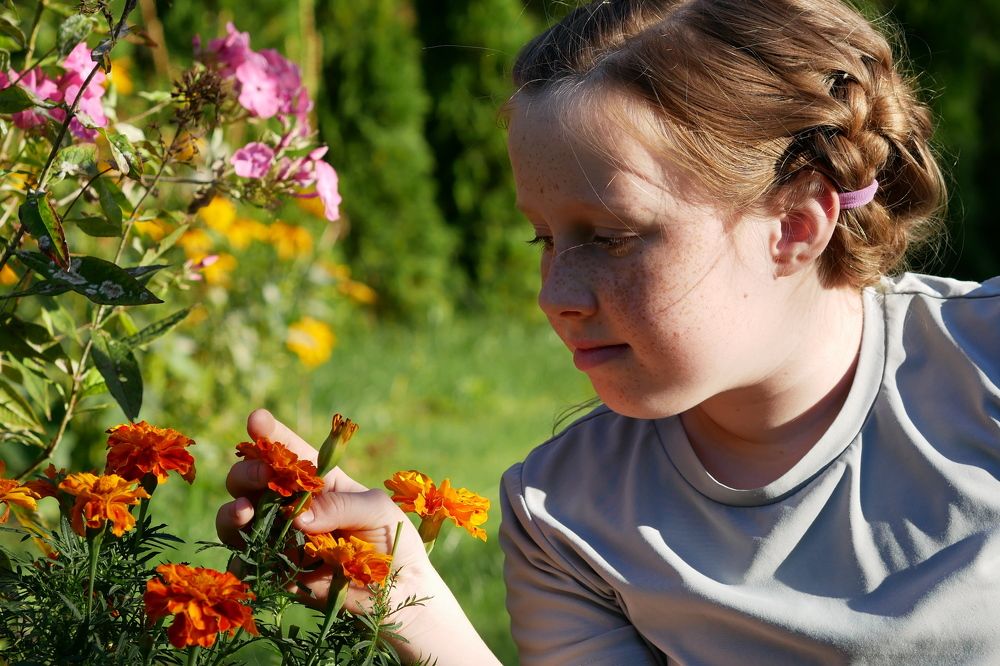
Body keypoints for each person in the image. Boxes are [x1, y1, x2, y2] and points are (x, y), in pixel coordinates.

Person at [217, 0, 1000, 663]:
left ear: (796, 224)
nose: (554, 295)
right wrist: (410, 601)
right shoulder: (565, 517)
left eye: (613, 237)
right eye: (545, 238)